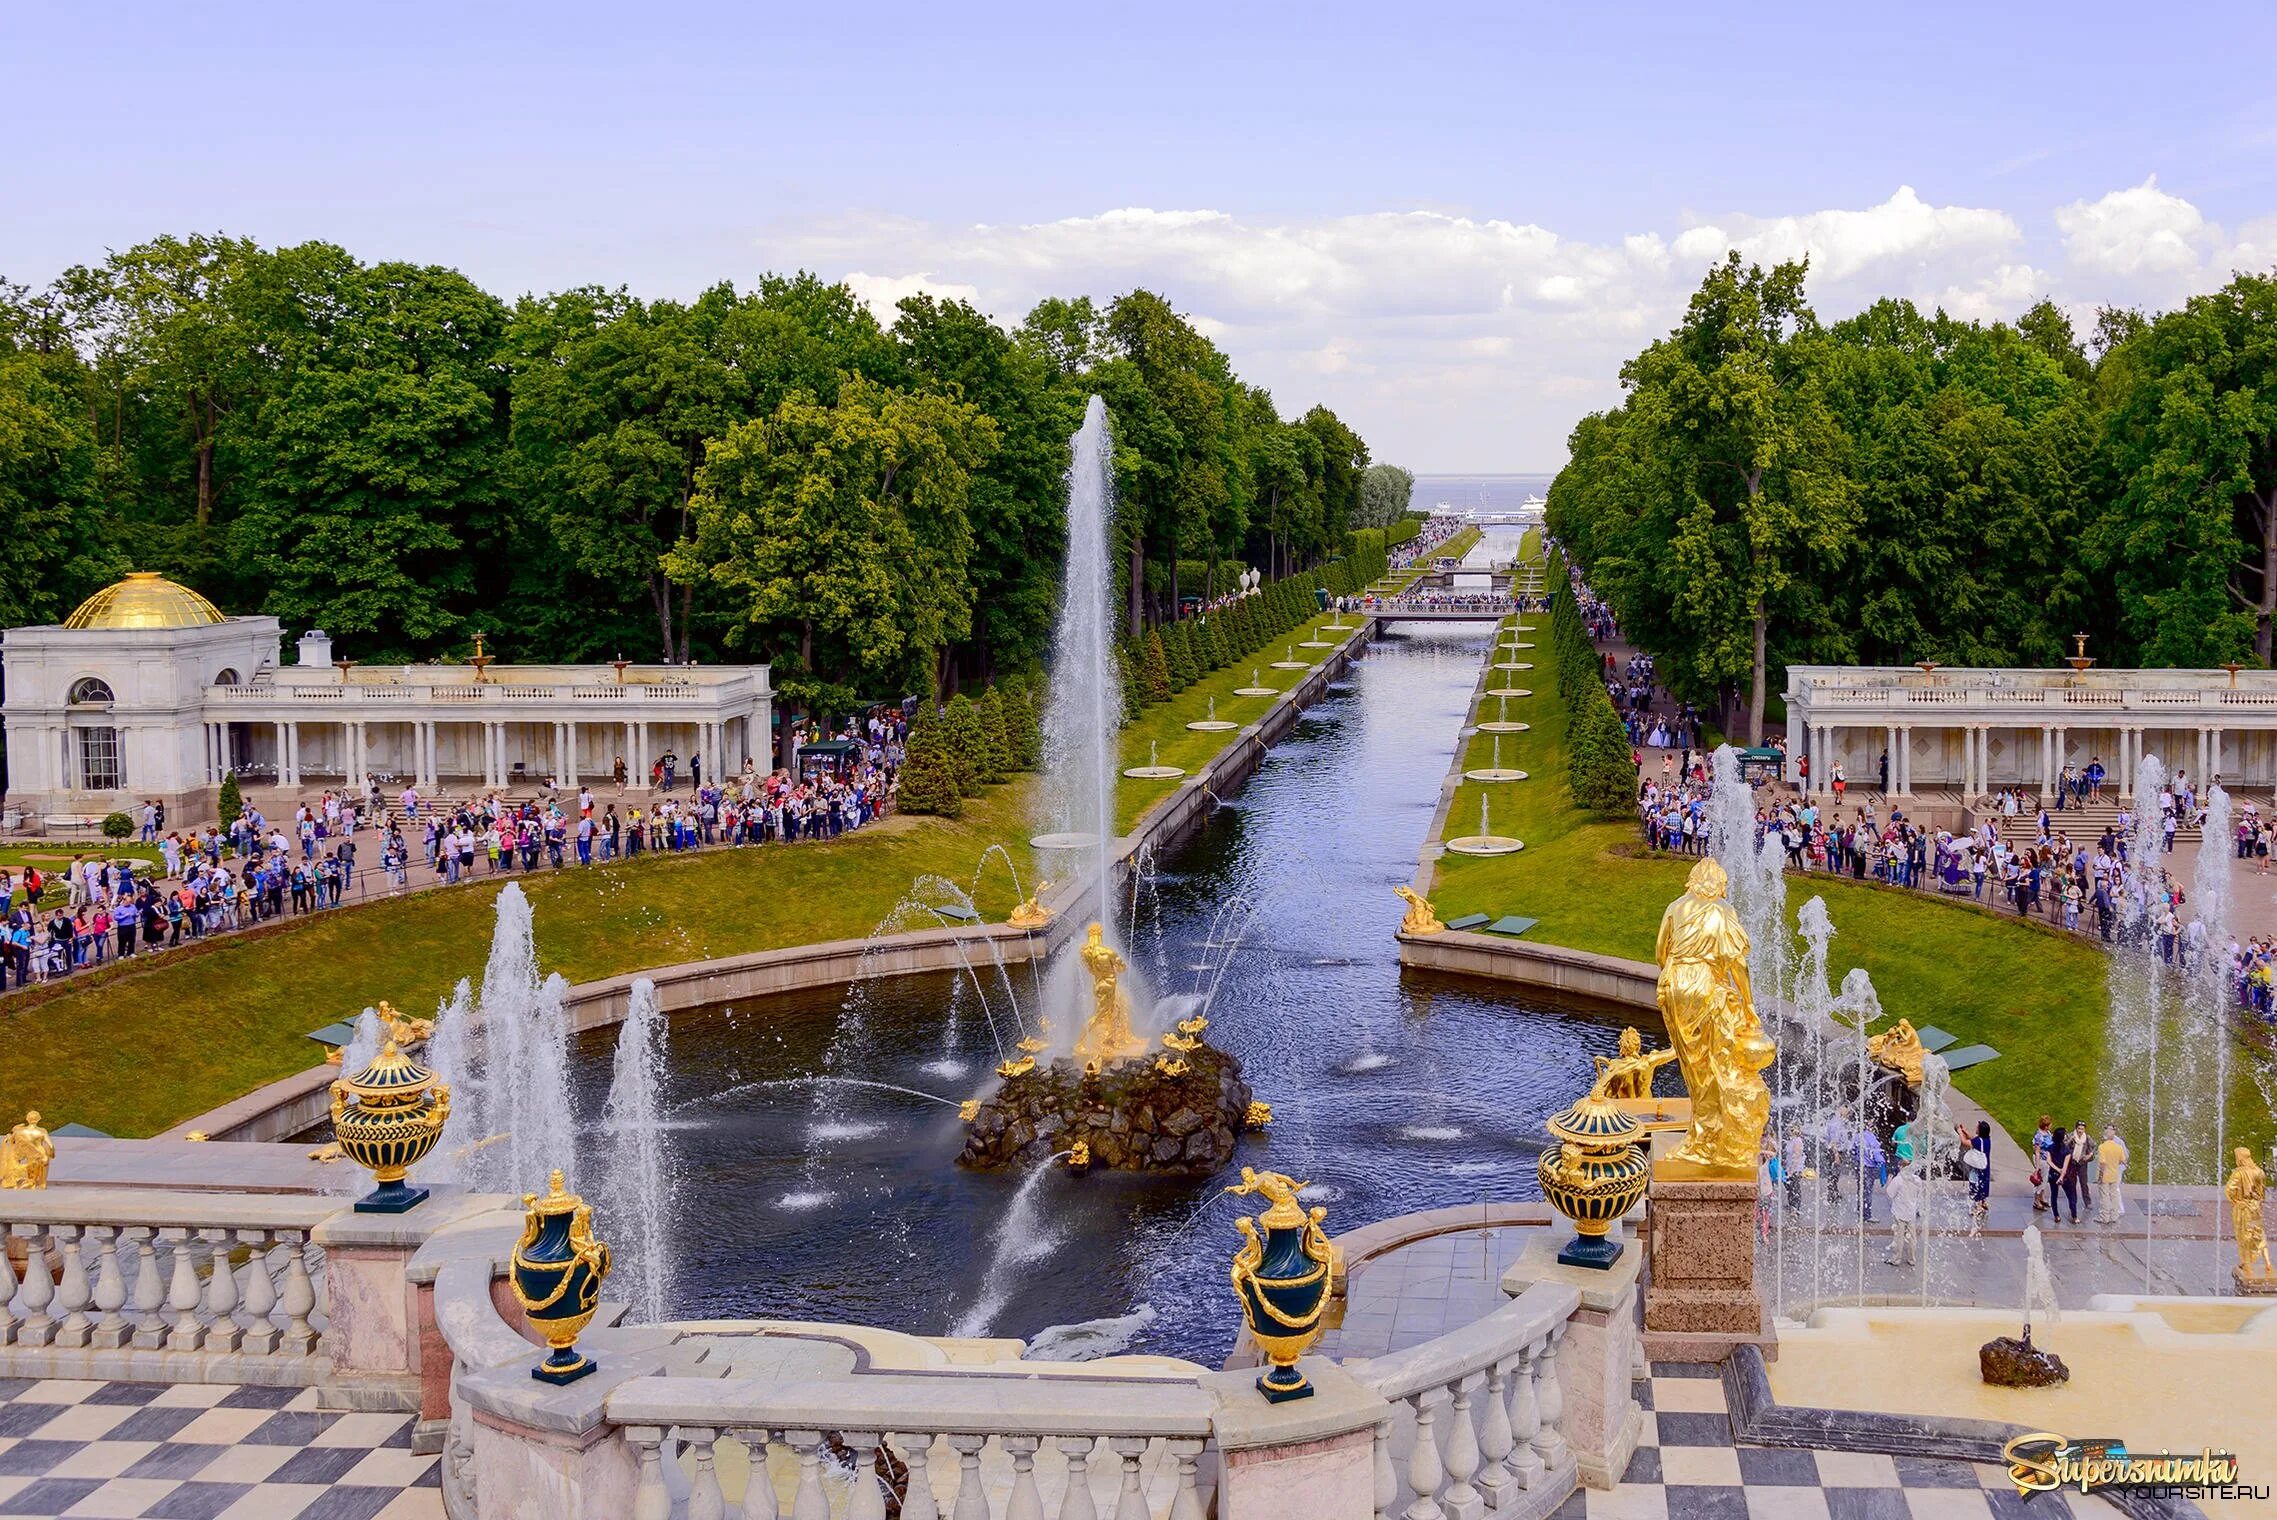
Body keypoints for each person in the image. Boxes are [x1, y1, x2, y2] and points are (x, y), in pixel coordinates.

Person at [1885, 1164, 1924, 1266]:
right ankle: (1912, 1259)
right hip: (1911, 1212)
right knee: (1912, 1237)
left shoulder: (1897, 1180)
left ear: (1902, 1167)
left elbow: (1890, 1193)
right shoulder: (1917, 1180)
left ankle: (1896, 1259)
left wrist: (1888, 1182)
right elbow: (1919, 1194)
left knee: (1899, 1237)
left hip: (1899, 1212)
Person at [1962, 1119, 1992, 1235]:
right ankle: (1983, 1202)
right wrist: (1965, 1131)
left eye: (1977, 1127)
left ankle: (1977, 1207)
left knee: (1975, 1185)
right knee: (1983, 1184)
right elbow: (1972, 1139)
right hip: (1985, 1167)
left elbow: (1965, 1142)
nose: (1976, 1127)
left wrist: (1960, 1132)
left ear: (1980, 1130)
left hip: (1977, 1169)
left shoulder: (1978, 1141)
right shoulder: (1986, 1140)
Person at [2096, 1124, 2128, 1224]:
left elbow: (2102, 1163)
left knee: (2104, 1196)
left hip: (2105, 1175)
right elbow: (2123, 1160)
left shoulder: (2102, 1147)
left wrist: (2100, 1177)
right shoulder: (2118, 1147)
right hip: (2115, 1174)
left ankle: (2104, 1217)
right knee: (2114, 1196)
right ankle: (2114, 1216)